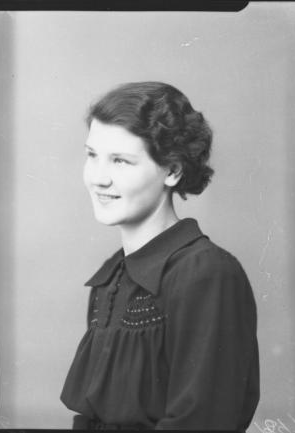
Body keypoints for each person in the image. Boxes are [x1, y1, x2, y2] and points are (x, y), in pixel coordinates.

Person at [60, 82, 259, 430]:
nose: (98, 178)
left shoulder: (207, 273)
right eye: (92, 155)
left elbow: (202, 421)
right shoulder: (111, 280)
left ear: (172, 171)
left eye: (121, 161)